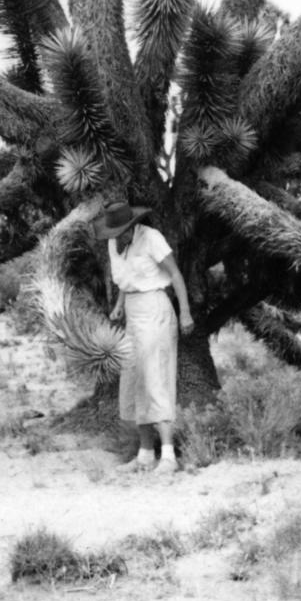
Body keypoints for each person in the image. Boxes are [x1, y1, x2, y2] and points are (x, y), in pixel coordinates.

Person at [98, 200, 194, 473]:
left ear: (131, 226)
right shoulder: (113, 245)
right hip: (133, 314)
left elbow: (175, 274)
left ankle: (168, 457)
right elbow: (126, 280)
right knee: (133, 380)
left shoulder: (152, 239)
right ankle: (144, 454)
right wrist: (118, 306)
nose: (116, 238)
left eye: (120, 232)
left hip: (155, 310)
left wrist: (185, 312)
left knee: (156, 378)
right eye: (112, 234)